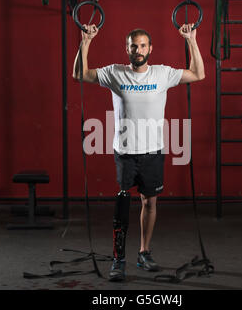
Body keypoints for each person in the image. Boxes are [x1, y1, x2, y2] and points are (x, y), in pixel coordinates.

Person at [72, 23, 205, 281]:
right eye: (134, 45)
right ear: (127, 49)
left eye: (143, 45)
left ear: (150, 48)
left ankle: (144, 252)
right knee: (123, 200)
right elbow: (80, 74)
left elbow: (198, 74)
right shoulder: (115, 73)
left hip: (153, 151)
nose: (138, 50)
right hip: (125, 151)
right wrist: (85, 41)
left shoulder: (162, 74)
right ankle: (119, 259)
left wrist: (191, 40)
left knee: (150, 202)